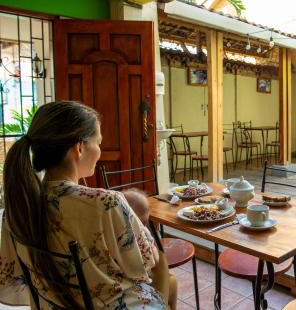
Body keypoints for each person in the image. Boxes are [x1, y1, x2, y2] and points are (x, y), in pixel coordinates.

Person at [0, 101, 174, 309]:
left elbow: (13, 277)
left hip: (55, 304)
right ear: (79, 148)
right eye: (98, 142)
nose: (100, 151)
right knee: (164, 267)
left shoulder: (18, 210)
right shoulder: (106, 203)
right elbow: (145, 264)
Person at [122, 188, 178, 310]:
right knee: (168, 273)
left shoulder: (114, 233)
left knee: (172, 281)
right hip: (139, 281)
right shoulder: (143, 235)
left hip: (127, 279)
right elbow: (154, 260)